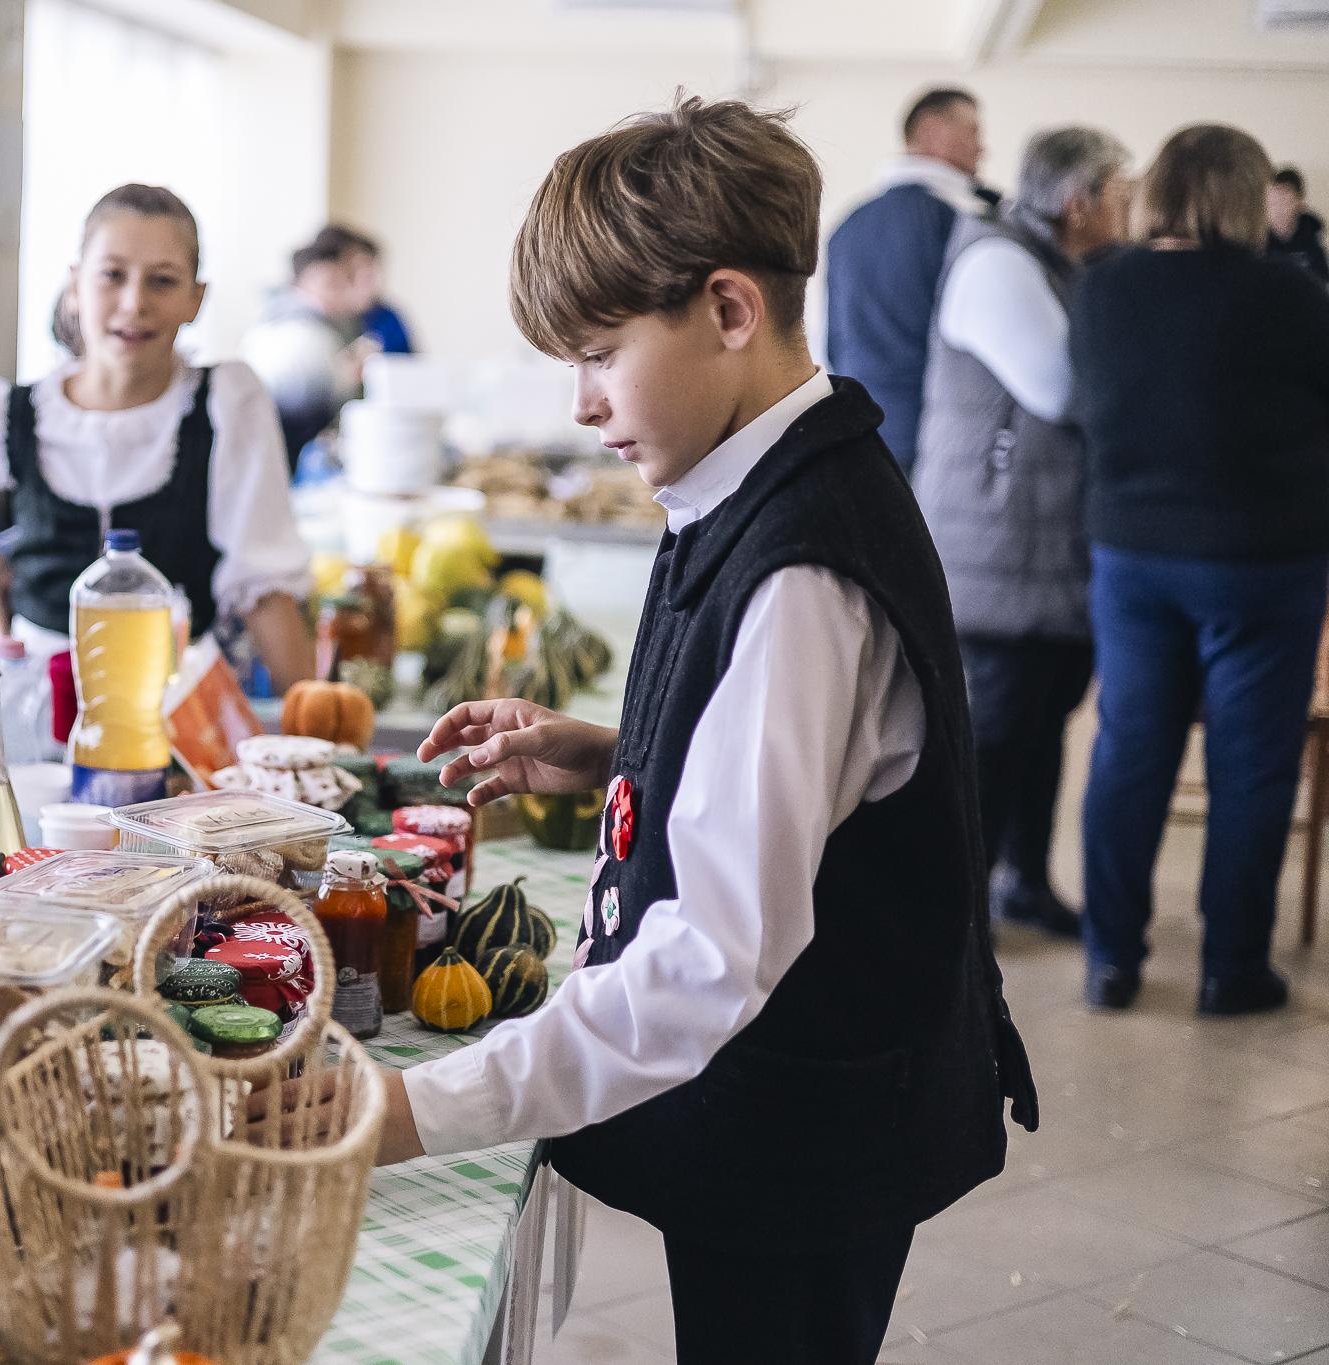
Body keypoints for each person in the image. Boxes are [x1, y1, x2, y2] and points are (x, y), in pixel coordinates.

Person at [373, 97, 1034, 1365]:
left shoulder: (801, 572)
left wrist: (409, 1113)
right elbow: (805, 770)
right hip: (795, 1107)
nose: (580, 404)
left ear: (728, 310)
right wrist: (616, 752)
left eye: (598, 354)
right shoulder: (768, 469)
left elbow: (706, 964)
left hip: (808, 1132)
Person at [1071, 124, 1329, 1016]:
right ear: (1244, 195)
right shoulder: (1293, 293)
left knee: (1129, 754)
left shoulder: (1100, 288)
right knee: (1252, 768)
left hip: (1132, 552)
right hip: (1264, 560)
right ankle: (1232, 969)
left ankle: (1111, 960)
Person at [0, 184, 315, 690]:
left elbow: (265, 588)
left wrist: (309, 715)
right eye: (112, 275)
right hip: (36, 687)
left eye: (163, 281)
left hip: (170, 691)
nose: (134, 303)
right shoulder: (14, 414)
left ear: (195, 299)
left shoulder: (226, 404)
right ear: (75, 286)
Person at [914, 126, 1132, 940]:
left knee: (1041, 726)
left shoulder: (1056, 262)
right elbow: (1064, 387)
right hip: (997, 546)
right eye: (1120, 193)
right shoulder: (999, 262)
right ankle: (956, 915)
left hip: (1040, 546)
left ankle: (1024, 883)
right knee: (997, 735)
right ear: (1079, 202)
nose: (1129, 208)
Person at [825, 87, 997, 474]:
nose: (982, 148)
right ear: (931, 131)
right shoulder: (961, 224)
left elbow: (835, 342)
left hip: (861, 433)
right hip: (939, 440)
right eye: (972, 131)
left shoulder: (847, 225)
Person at [240, 223, 383, 469]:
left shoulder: (274, 321)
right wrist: (349, 379)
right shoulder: (303, 335)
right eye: (332, 283)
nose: (342, 292)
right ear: (303, 283)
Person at [1267, 165, 1329, 284]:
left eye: (1284, 201)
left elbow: (1322, 278)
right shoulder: (1256, 238)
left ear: (1300, 205)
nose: (1277, 210)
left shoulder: (1311, 233)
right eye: (1272, 202)